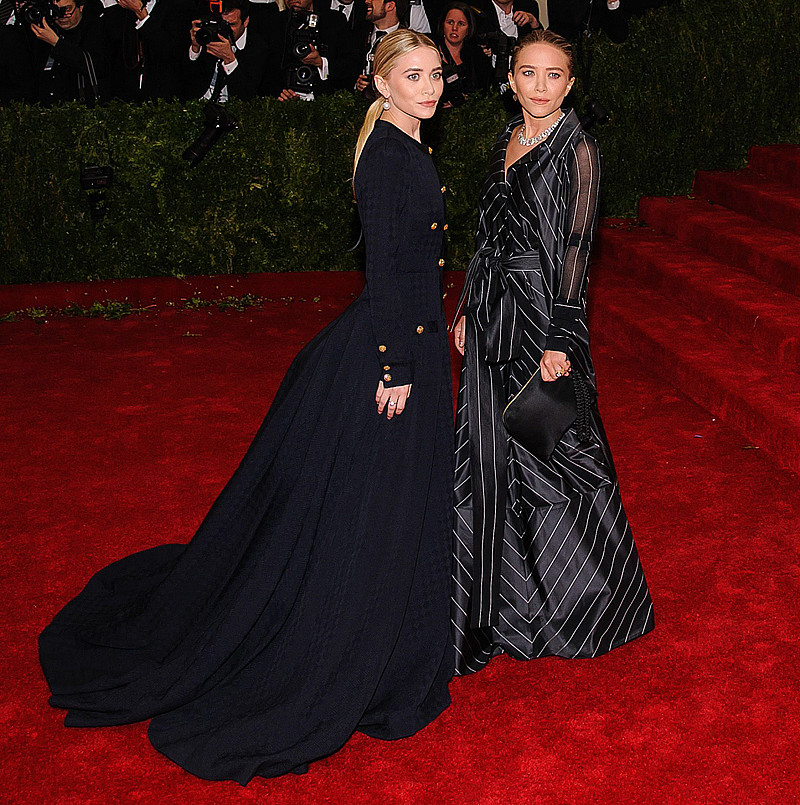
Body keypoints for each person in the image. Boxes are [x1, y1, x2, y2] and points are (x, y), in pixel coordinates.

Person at [39, 29, 454, 784]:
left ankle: (395, 646)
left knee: (392, 504)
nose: (429, 87)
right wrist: (396, 368)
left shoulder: (402, 145)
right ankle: (359, 652)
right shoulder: (391, 155)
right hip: (395, 354)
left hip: (416, 341)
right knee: (375, 508)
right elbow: (389, 274)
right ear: (381, 82)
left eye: (435, 75)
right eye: (413, 74)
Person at [451, 30, 654, 674]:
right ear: (510, 77)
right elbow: (485, 234)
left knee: (555, 451)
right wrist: (463, 306)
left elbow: (576, 246)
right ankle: (501, 608)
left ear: (570, 83)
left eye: (554, 76)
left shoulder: (579, 149)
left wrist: (563, 335)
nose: (539, 87)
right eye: (527, 73)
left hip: (542, 315)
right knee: (487, 453)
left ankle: (587, 607)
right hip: (491, 313)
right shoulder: (503, 140)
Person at [269, 0, 361, 101]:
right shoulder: (276, 22)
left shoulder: (334, 20)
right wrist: (281, 94)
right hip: (284, 102)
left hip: (325, 102)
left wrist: (321, 63)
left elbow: (350, 64)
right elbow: (266, 67)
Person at [186, 0, 269, 102]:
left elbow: (247, 96)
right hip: (200, 103)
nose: (226, 30)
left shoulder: (258, 47)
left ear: (246, 21)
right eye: (222, 24)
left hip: (233, 109)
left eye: (232, 25)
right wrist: (195, 48)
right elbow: (186, 82)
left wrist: (229, 60)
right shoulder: (209, 35)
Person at [29, 0, 109, 105]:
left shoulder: (96, 28)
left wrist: (56, 42)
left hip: (82, 109)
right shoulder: (45, 31)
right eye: (56, 10)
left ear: (80, 7)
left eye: (67, 9)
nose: (62, 15)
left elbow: (97, 67)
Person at [435, 0, 491, 108]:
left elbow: (484, 93)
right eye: (450, 22)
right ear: (443, 25)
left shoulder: (477, 55)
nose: (454, 28)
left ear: (469, 29)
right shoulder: (430, 52)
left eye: (461, 24)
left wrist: (465, 100)